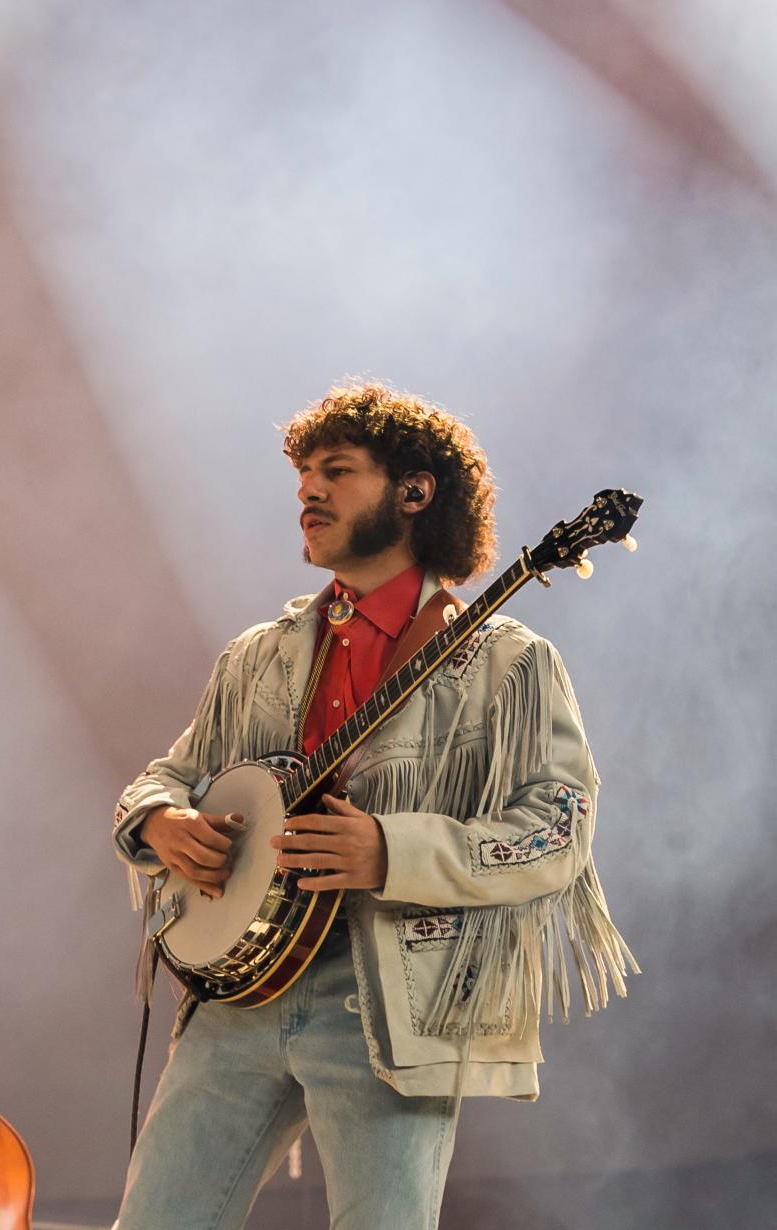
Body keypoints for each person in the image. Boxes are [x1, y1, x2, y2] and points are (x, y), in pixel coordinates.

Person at [111, 383, 635, 1230]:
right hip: (239, 997)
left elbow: (560, 831)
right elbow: (165, 777)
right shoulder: (260, 655)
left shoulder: (509, 663)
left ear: (415, 491)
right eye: (302, 477)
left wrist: (392, 852)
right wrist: (163, 824)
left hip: (394, 1003)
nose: (307, 493)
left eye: (337, 471)